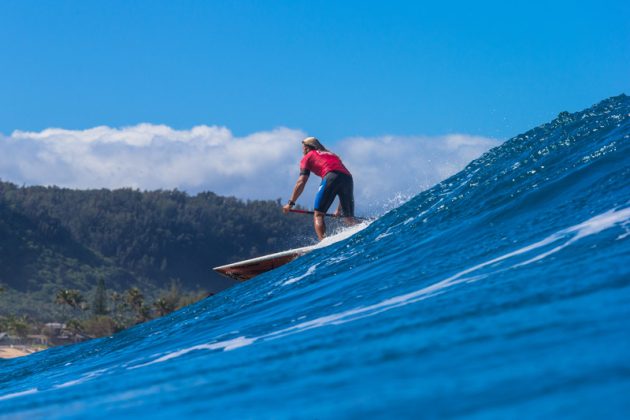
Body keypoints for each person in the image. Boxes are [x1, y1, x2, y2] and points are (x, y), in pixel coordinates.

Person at [283, 137, 357, 241]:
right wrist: (339, 209)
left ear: (307, 148)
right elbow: (341, 179)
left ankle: (323, 242)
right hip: (348, 178)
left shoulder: (308, 157)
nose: (302, 150)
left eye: (302, 148)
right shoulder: (331, 154)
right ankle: (364, 233)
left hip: (331, 177)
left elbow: (301, 181)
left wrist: (291, 203)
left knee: (318, 215)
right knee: (349, 218)